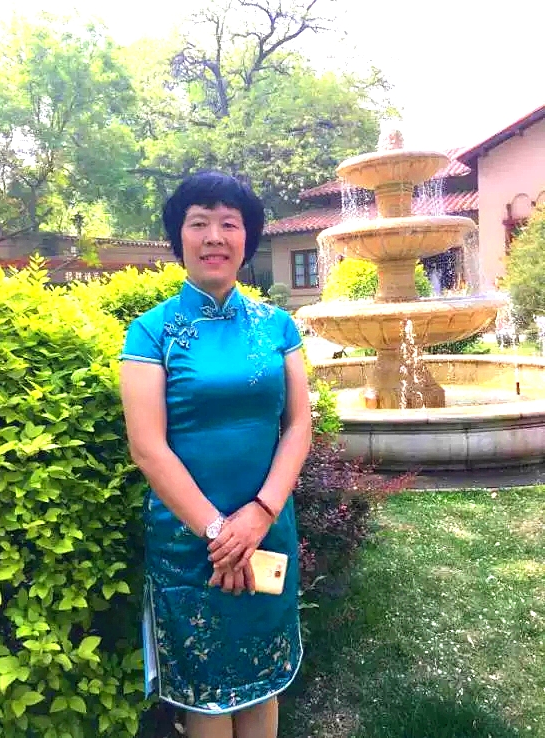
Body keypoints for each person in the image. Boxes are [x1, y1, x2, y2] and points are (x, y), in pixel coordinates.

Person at [119, 171, 312, 738]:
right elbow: (147, 448)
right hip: (190, 543)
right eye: (198, 223)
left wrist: (260, 514)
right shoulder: (151, 332)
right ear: (178, 237)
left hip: (268, 529)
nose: (214, 237)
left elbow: (298, 424)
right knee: (206, 699)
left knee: (263, 681)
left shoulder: (277, 326)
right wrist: (218, 532)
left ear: (247, 238)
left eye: (229, 223)